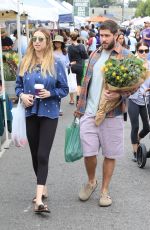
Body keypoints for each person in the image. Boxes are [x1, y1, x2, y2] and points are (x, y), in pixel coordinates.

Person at [75, 20, 130, 207]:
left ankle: (105, 190)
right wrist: (79, 110)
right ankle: (92, 181)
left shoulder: (126, 56)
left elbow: (133, 87)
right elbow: (86, 83)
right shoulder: (95, 54)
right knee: (88, 152)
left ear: (116, 35)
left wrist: (119, 93)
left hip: (112, 114)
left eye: (107, 36)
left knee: (110, 154)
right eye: (101, 35)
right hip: (89, 113)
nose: (103, 39)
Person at [15, 27, 69, 213]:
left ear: (47, 42)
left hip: (49, 113)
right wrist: (22, 95)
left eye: (40, 39)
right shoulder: (25, 62)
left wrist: (51, 93)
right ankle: (43, 187)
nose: (36, 42)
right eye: (34, 38)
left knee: (42, 155)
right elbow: (18, 86)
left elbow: (64, 89)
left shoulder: (56, 63)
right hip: (31, 112)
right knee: (34, 154)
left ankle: (38, 200)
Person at [128, 41, 150, 162]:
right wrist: (142, 71)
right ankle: (135, 152)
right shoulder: (133, 64)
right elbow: (130, 82)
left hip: (147, 99)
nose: (144, 53)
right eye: (141, 51)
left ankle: (137, 139)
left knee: (147, 127)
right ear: (137, 51)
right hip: (134, 99)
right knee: (135, 126)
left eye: (146, 51)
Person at [68, 31, 88, 105]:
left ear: (70, 37)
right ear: (78, 37)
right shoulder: (81, 46)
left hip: (72, 65)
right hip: (79, 66)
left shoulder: (69, 47)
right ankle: (78, 100)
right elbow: (85, 56)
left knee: (71, 81)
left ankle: (71, 99)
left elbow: (69, 58)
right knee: (78, 83)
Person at [53, 34, 70, 115]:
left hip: (63, 74)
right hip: (53, 73)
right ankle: (55, 107)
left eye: (59, 42)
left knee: (60, 90)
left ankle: (58, 107)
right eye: (56, 42)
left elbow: (67, 63)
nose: (57, 44)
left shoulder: (64, 52)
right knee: (54, 89)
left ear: (62, 43)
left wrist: (69, 65)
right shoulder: (51, 52)